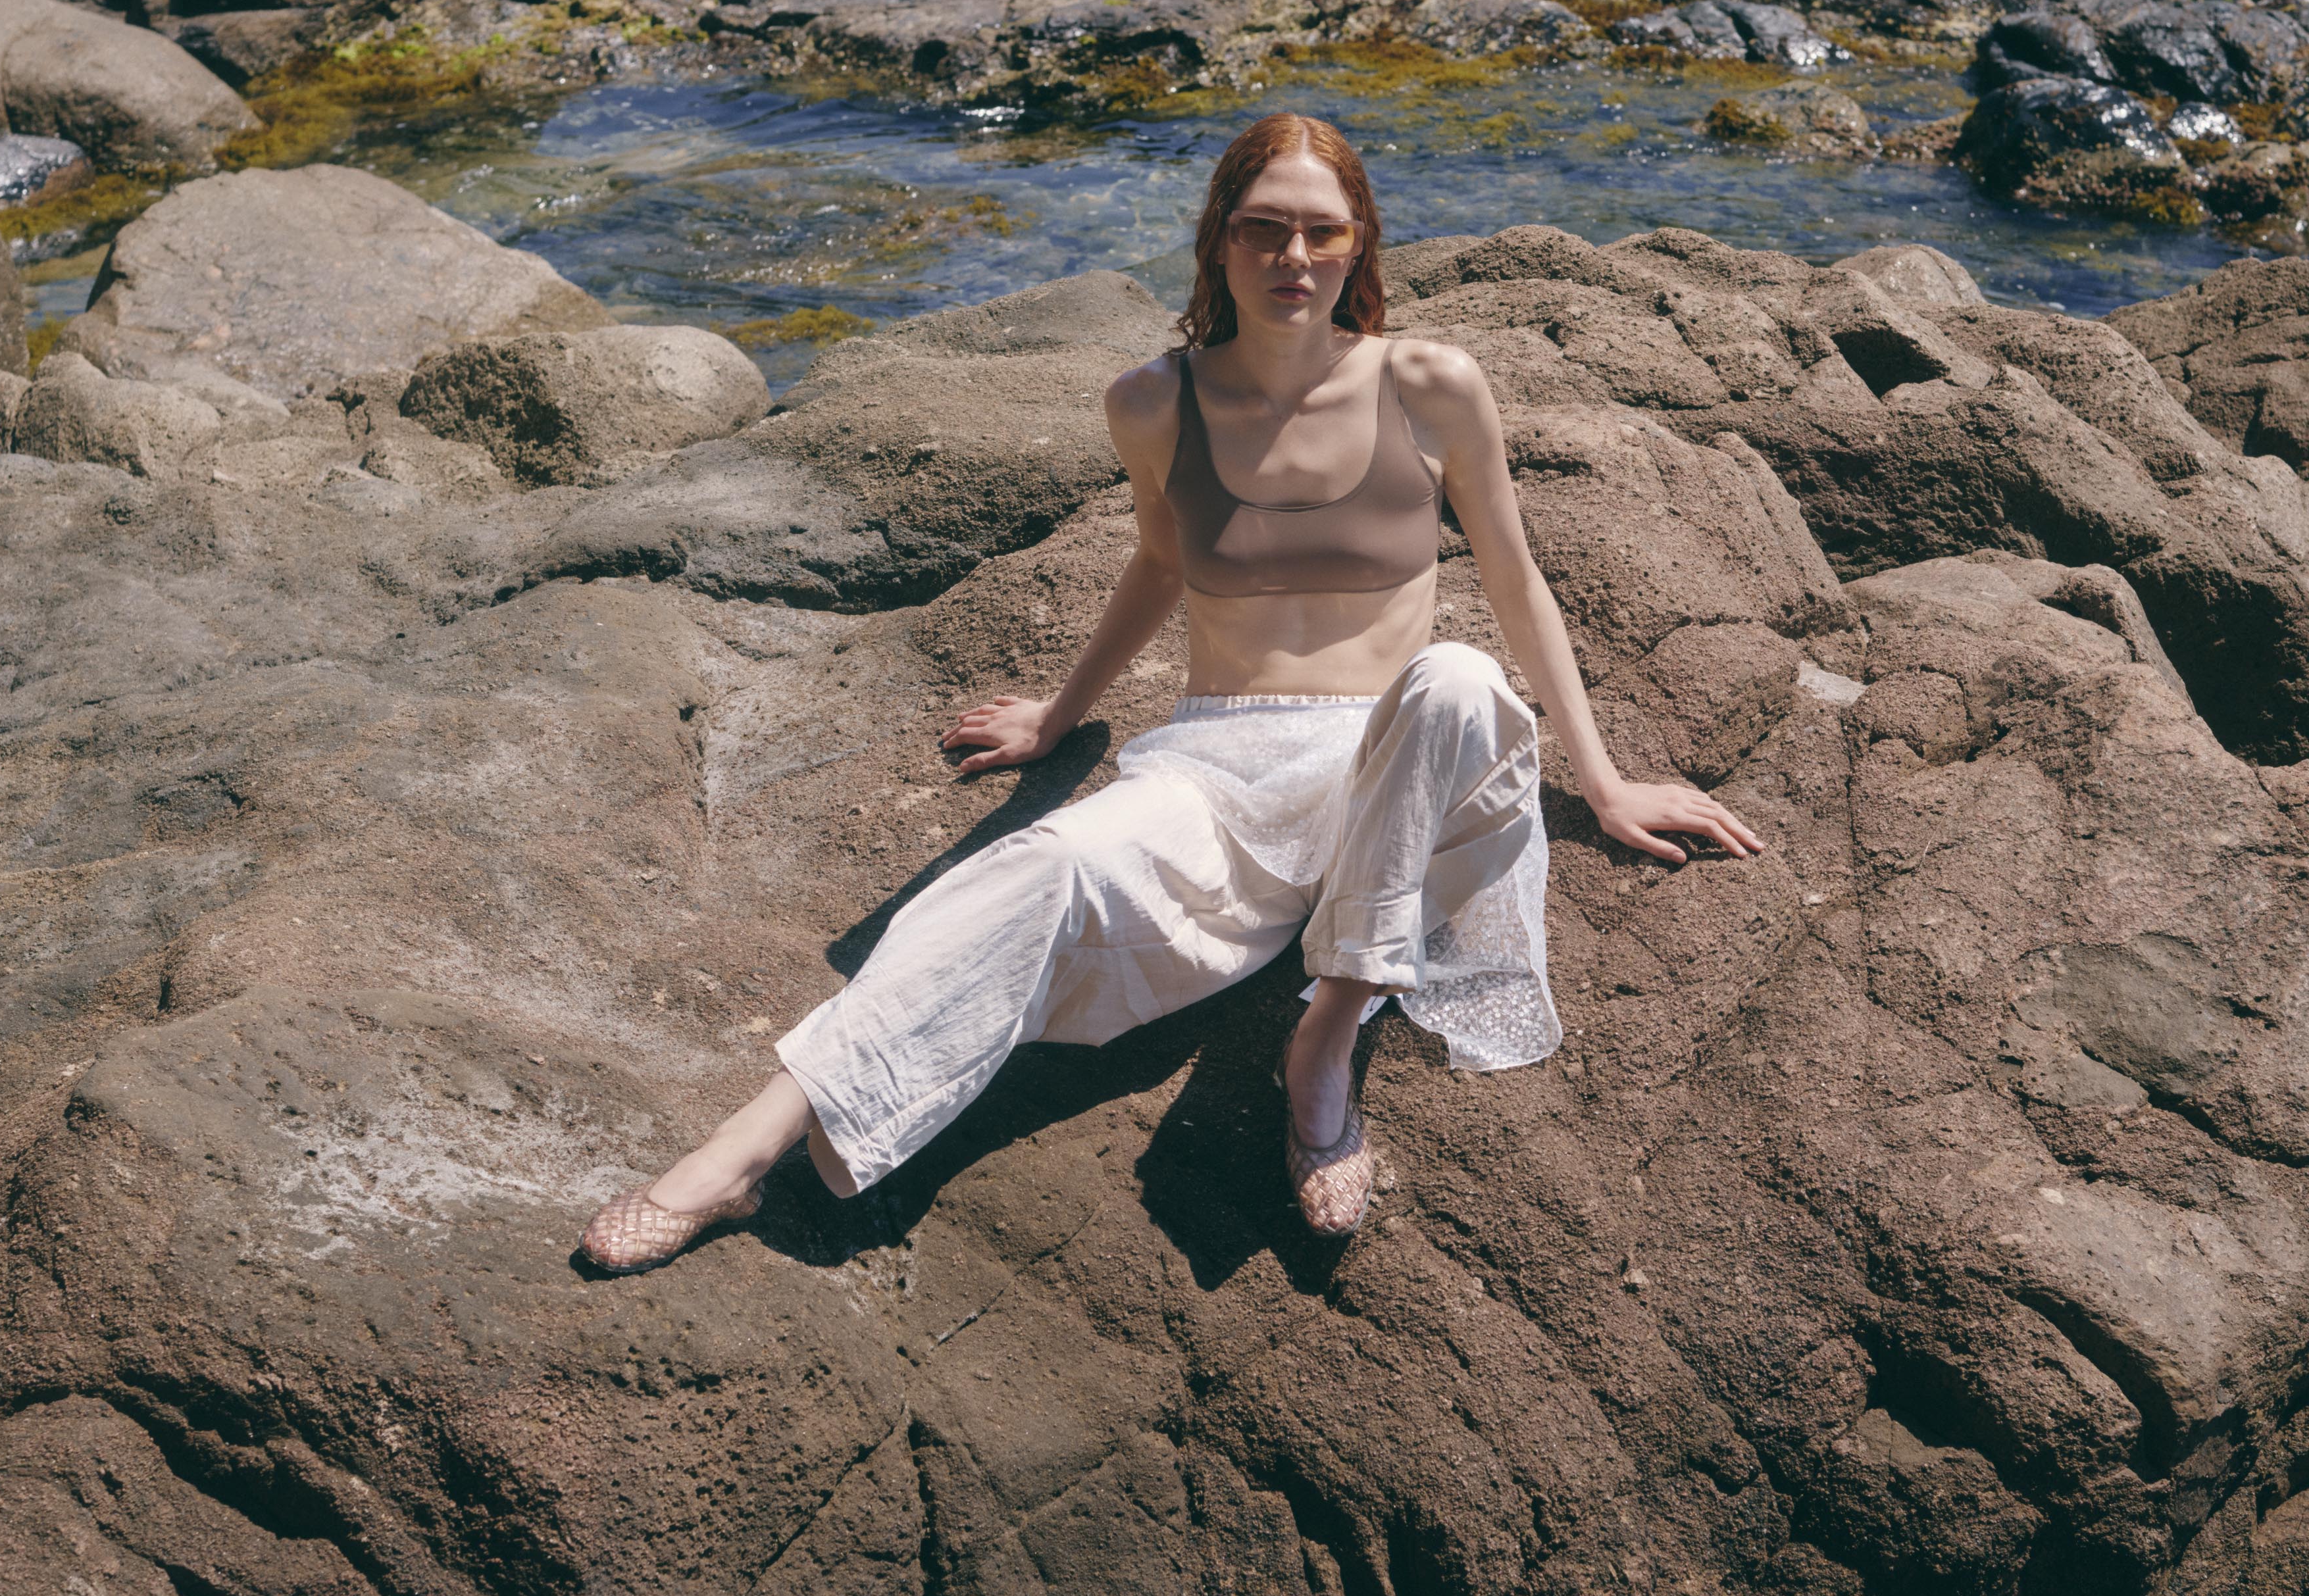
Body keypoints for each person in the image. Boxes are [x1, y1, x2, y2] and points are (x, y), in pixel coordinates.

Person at [580, 112, 1762, 1271]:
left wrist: (1604, 782)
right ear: (1219, 239)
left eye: (1322, 232)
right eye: (1263, 229)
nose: (1293, 257)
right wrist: (1059, 714)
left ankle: (1325, 1042)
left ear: (1358, 243)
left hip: (1401, 763)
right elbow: (1158, 560)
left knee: (1456, 677)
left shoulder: (1430, 383)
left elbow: (1513, 575)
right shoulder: (1153, 401)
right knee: (1044, 866)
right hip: (1221, 768)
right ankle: (744, 1151)